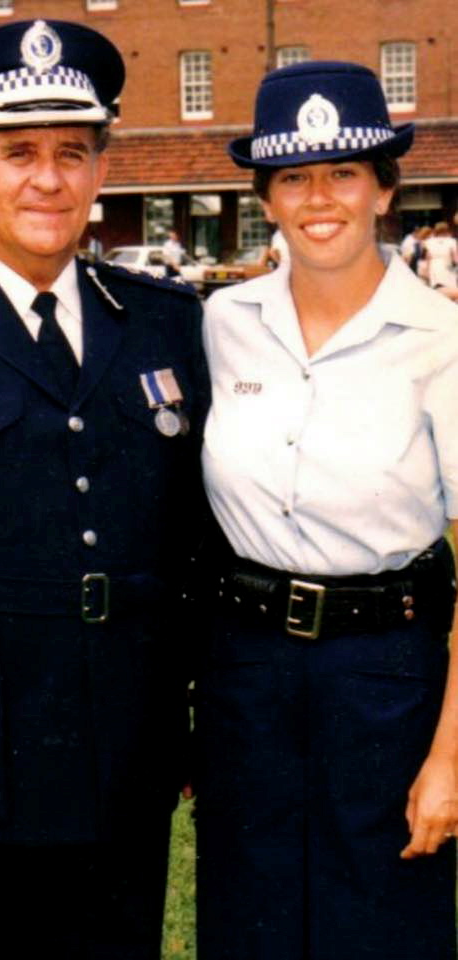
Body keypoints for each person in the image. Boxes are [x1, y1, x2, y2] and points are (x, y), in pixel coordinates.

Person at [0, 18, 207, 960]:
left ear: (98, 172)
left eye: (72, 153)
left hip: (123, 747)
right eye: (19, 153)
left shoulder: (166, 327)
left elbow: (193, 539)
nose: (48, 178)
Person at [193, 60, 458, 960]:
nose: (320, 198)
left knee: (378, 924)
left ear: (385, 189)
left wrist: (450, 756)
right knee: (247, 918)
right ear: (265, 196)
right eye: (293, 176)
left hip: (386, 673)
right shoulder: (220, 324)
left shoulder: (442, 340)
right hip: (245, 672)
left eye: (343, 172)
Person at [424, 220, 458, 289]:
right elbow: (455, 257)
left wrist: (427, 270)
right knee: (450, 287)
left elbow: (428, 257)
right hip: (447, 265)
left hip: (433, 266)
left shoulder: (429, 241)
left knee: (436, 288)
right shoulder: (451, 241)